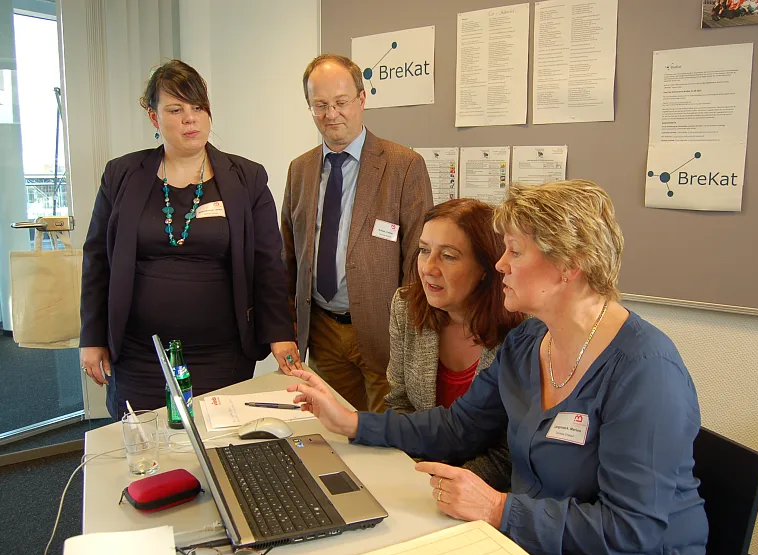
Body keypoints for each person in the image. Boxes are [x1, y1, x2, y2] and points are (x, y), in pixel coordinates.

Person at [287, 181, 709, 555]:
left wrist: (497, 508)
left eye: (516, 252)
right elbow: (459, 427)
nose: (500, 264)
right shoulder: (528, 342)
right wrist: (352, 423)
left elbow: (632, 533)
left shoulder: (645, 372)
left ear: (570, 265)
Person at [80, 60, 298, 420]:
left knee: (217, 442)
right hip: (140, 353)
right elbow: (97, 260)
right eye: (175, 109)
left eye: (198, 107)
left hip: (221, 353)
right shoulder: (122, 174)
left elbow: (267, 263)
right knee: (146, 443)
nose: (190, 119)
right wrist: (92, 336)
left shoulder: (247, 178)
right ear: (154, 117)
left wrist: (280, 333)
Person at [281, 54, 433, 413]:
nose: (331, 114)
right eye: (320, 105)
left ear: (361, 99)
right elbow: (288, 256)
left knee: (386, 434)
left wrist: (410, 338)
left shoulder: (403, 165)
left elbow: (418, 259)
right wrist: (286, 328)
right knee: (334, 430)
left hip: (384, 334)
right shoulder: (300, 169)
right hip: (322, 333)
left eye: (341, 102)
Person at [386, 198, 525, 491]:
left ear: (486, 267)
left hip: (485, 491)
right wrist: (415, 474)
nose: (429, 268)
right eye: (424, 251)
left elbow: (510, 452)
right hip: (419, 477)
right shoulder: (406, 306)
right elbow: (400, 403)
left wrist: (443, 486)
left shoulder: (523, 331)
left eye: (448, 256)